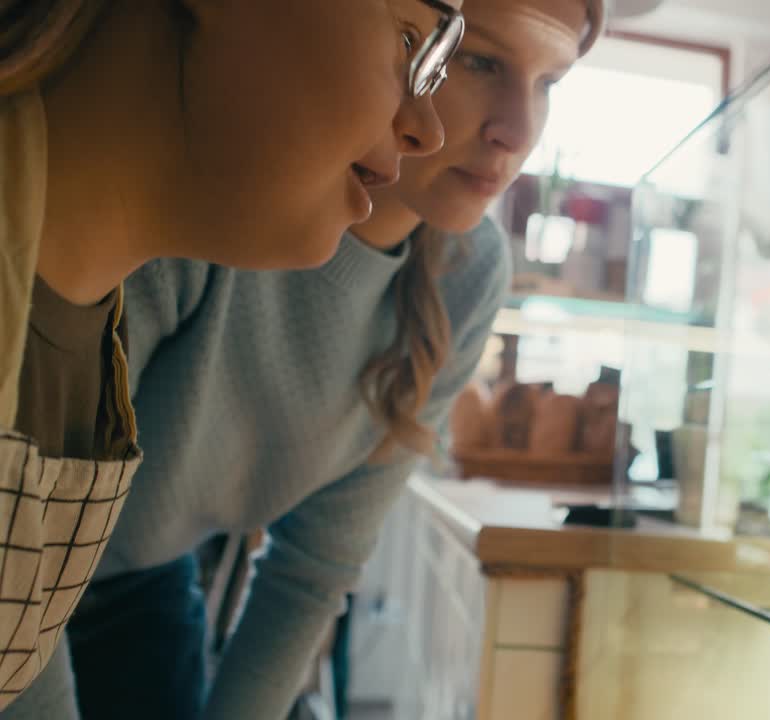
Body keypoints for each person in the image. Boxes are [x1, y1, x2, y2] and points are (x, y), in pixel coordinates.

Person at [2, 0, 605, 717]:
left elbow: (312, 571)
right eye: (465, 55)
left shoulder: (466, 276)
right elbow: (20, 513)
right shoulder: (202, 189)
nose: (518, 132)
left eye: (549, 85)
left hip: (136, 571)